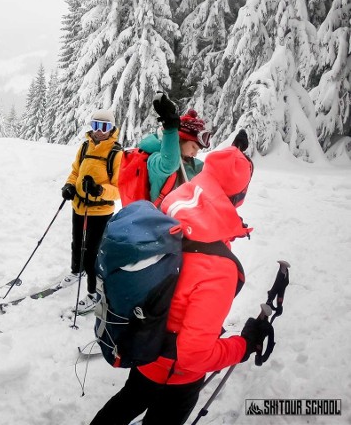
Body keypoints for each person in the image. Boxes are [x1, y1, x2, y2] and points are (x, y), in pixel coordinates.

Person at [90, 130, 260, 425]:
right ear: (239, 197)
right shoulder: (219, 269)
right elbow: (194, 356)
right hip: (178, 374)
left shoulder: (169, 211)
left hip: (145, 348)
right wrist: (242, 346)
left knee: (128, 400)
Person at [60, 109, 123, 314]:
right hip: (79, 206)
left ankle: (94, 294)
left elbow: (118, 189)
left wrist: (99, 190)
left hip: (100, 212)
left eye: (104, 127)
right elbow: (76, 171)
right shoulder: (85, 145)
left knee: (92, 254)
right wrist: (69, 186)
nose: (98, 131)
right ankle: (76, 271)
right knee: (77, 243)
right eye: (95, 125)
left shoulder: (115, 153)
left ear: (111, 128)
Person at [139, 93, 212, 206]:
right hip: (162, 221)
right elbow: (169, 164)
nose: (195, 154)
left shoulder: (191, 163)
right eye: (193, 147)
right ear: (181, 138)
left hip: (185, 221)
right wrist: (171, 128)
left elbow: (213, 178)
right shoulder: (155, 159)